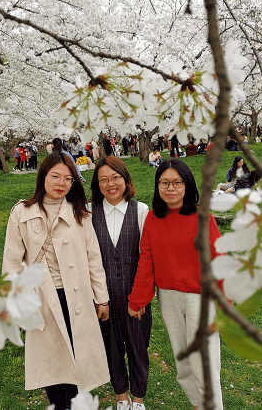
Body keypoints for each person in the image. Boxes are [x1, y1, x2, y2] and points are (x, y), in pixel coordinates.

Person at [2, 152, 110, 410]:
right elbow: (12, 262)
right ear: (43, 177)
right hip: (42, 298)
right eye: (55, 176)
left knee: (77, 358)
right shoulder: (22, 212)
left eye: (68, 179)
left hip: (77, 296)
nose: (61, 183)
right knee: (52, 361)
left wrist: (102, 297)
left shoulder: (79, 214)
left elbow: (93, 257)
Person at [127, 159, 224, 410]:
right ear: (157, 185)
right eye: (164, 182)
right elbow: (146, 259)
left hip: (200, 299)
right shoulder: (152, 218)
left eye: (177, 183)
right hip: (168, 297)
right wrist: (138, 299)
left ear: (187, 185)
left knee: (203, 364)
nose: (170, 188)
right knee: (183, 364)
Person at [89, 157, 150, 410]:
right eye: (103, 179)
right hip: (103, 295)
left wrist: (142, 297)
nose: (110, 184)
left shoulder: (141, 211)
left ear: (125, 180)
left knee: (138, 347)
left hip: (134, 294)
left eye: (115, 178)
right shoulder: (87, 211)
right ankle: (122, 397)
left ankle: (138, 400)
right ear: (97, 184)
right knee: (111, 347)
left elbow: (148, 258)